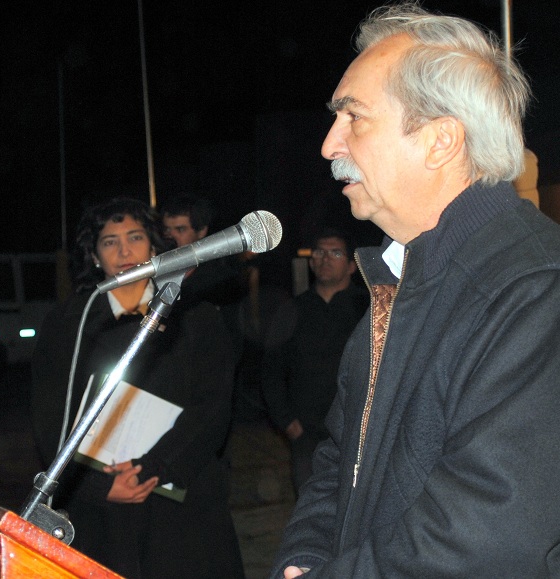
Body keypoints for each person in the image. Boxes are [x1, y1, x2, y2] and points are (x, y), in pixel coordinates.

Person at [271, 3, 560, 577]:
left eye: (354, 117)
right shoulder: (397, 277)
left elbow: (485, 536)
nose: (330, 145)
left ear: (440, 140)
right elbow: (339, 461)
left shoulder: (534, 289)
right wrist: (303, 558)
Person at [30, 197, 244, 579]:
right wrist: (96, 487)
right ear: (94, 255)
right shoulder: (69, 324)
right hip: (100, 509)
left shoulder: (196, 317)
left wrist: (153, 467)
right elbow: (50, 418)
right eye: (109, 241)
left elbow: (212, 409)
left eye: (135, 237)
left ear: (155, 247)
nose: (124, 251)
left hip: (180, 500)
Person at [262, 228, 369, 494]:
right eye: (319, 252)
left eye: (335, 253)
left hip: (358, 433)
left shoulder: (367, 310)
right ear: (311, 262)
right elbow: (271, 369)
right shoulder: (293, 310)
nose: (325, 259)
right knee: (310, 504)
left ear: (351, 265)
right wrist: (287, 421)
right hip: (307, 434)